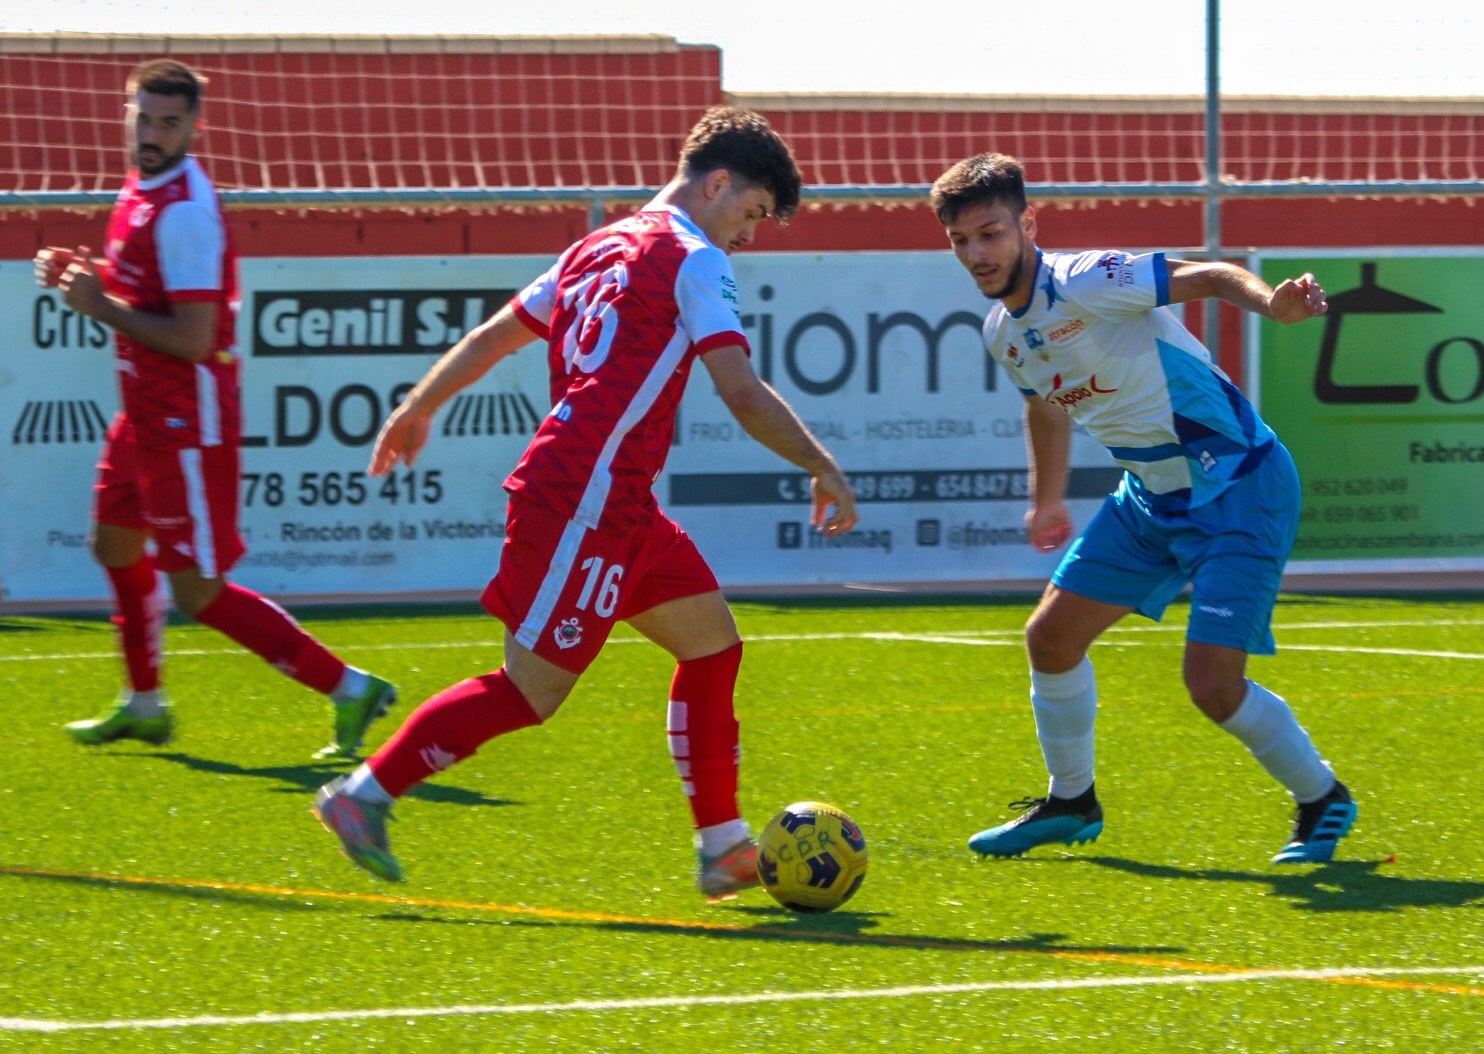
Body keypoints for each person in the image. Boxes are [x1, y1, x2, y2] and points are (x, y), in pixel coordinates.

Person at [312, 106, 858, 897]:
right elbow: (739, 390)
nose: (751, 233)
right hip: (582, 499)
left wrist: (420, 403)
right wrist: (823, 464)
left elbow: (494, 335)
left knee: (712, 642)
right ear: (716, 184)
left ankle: (724, 845)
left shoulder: (593, 248)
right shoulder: (693, 257)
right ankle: (364, 797)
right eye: (752, 213)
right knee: (531, 691)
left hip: (618, 503)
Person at [931, 152, 1356, 866]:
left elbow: (1211, 275)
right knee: (1051, 639)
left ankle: (1323, 798)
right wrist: (1047, 500)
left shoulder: (1087, 279)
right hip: (1151, 498)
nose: (977, 253)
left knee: (1212, 685)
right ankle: (1072, 802)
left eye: (990, 233)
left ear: (1027, 224)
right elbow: (1043, 406)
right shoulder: (1001, 332)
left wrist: (1270, 304)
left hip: (1240, 485)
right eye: (961, 240)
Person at [33, 60, 396, 760]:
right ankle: (144, 704)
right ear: (127, 112)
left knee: (199, 591)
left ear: (194, 127)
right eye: (144, 117)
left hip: (185, 424)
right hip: (141, 415)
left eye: (170, 123)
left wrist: (98, 305)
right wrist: (89, 278)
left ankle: (351, 689)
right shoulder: (142, 187)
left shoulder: (187, 214)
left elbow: (193, 338)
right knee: (112, 544)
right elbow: (150, 293)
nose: (153, 133)